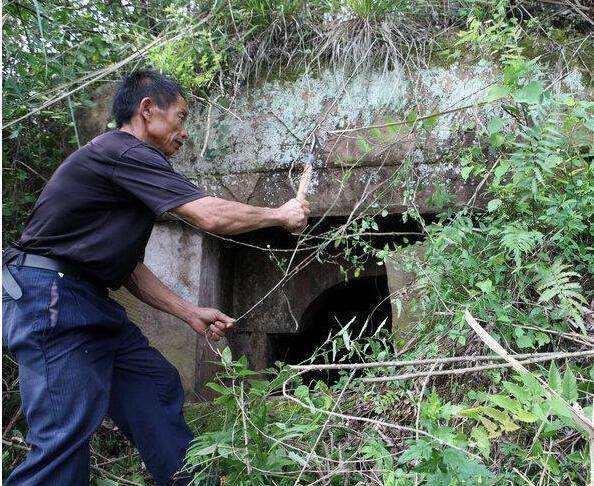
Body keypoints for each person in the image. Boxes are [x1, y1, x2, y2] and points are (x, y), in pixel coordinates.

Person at [2, 69, 310, 485]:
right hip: (50, 298)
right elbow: (209, 215)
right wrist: (279, 215)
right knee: (62, 442)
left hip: (85, 299)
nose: (184, 132)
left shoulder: (127, 169)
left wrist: (188, 311)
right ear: (147, 110)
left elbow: (128, 267)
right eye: (180, 118)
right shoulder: (125, 151)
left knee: (154, 385)